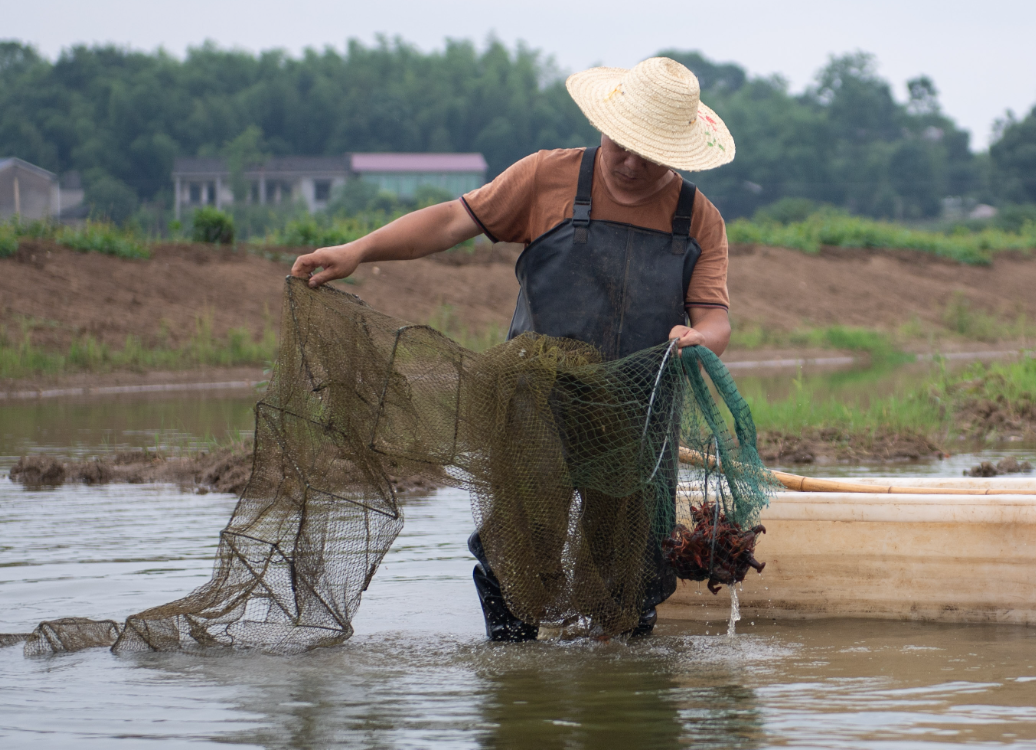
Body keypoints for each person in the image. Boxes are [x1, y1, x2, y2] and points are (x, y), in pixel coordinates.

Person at [289, 56, 736, 640]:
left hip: (637, 415)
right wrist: (358, 251)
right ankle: (512, 665)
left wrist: (699, 337)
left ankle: (618, 668)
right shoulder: (546, 177)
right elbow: (451, 222)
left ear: (675, 151)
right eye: (620, 144)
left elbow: (715, 320)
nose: (628, 163)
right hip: (536, 406)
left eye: (647, 154)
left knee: (629, 567)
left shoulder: (698, 219)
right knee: (522, 541)